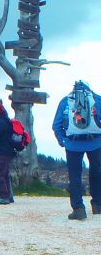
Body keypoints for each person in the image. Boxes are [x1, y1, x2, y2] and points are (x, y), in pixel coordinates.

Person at [52, 80, 101, 220]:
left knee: (75, 176)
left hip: (73, 144)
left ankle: (79, 209)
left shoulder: (66, 101)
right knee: (97, 172)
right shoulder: (97, 99)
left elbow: (56, 124)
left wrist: (63, 141)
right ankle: (98, 205)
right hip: (96, 142)